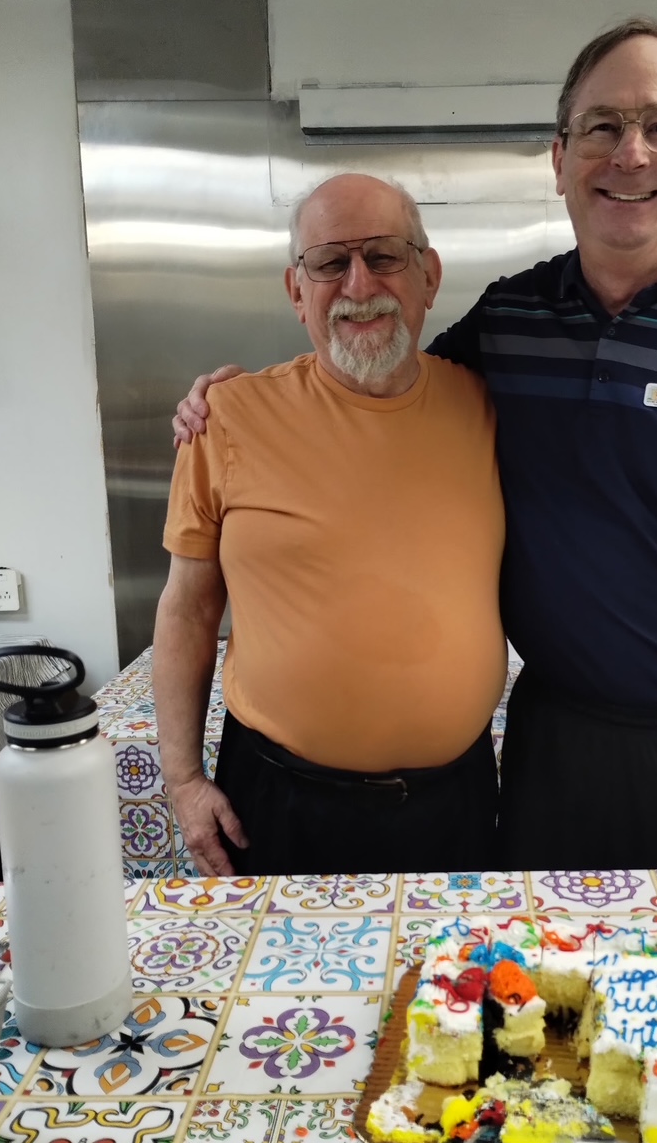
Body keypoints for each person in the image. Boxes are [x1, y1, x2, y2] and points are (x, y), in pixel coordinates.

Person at [173, 18, 657, 871]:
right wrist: (234, 399)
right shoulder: (512, 319)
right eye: (602, 126)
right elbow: (382, 367)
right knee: (537, 960)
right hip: (554, 748)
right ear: (560, 159)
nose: (631, 155)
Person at [154, 173, 506, 877]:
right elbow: (188, 609)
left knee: (459, 957)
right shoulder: (227, 418)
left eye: (384, 255)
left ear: (429, 276)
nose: (358, 284)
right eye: (329, 263)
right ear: (296, 291)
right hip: (279, 805)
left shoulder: (488, 405)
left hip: (454, 805)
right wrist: (184, 780)